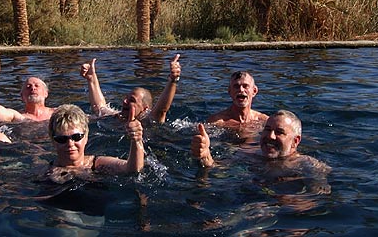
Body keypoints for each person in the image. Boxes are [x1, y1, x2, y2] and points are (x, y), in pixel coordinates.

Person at [191, 109, 330, 194]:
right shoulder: (249, 154)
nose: (270, 136)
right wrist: (205, 156)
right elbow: (218, 170)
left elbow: (317, 197)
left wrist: (286, 202)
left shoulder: (309, 165)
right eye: (268, 130)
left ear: (295, 141)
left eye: (279, 132)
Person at [48, 103, 145, 177]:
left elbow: (132, 169)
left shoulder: (98, 164)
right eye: (62, 139)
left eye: (76, 137)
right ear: (53, 140)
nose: (70, 143)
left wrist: (136, 140)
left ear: (86, 137)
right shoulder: (47, 172)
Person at [79, 54, 181, 123]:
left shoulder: (147, 120)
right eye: (126, 98)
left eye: (131, 100)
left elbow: (161, 110)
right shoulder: (117, 117)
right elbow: (99, 108)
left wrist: (173, 80)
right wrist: (91, 79)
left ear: (145, 109)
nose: (124, 101)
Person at [0, 54, 56, 122]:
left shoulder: (56, 113)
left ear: (46, 93)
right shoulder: (18, 116)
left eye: (37, 85)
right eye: (28, 87)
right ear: (22, 96)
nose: (32, 88)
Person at [206, 71, 268, 135]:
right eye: (236, 86)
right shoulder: (217, 122)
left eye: (245, 86)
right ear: (230, 91)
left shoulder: (264, 121)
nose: (241, 89)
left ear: (254, 91)